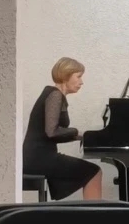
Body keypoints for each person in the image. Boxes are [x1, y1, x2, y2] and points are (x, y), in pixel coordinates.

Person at [23, 57, 103, 200]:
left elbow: (54, 133)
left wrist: (82, 136)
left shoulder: (53, 93)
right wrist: (77, 132)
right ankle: (94, 214)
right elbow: (52, 132)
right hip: (39, 159)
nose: (81, 82)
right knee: (94, 172)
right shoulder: (55, 95)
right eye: (78, 76)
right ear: (66, 75)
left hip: (38, 157)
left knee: (91, 171)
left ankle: (92, 212)